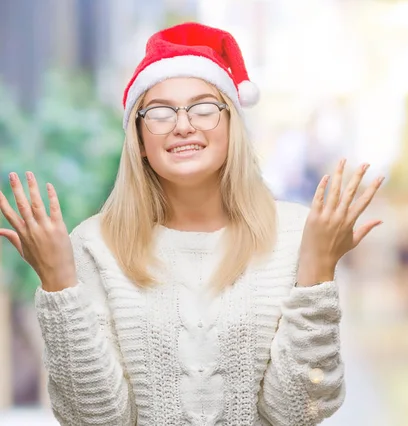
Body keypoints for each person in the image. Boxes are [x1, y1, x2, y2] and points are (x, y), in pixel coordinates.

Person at [0, 22, 384, 425]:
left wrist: (317, 270)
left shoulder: (296, 235)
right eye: (161, 112)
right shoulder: (96, 244)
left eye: (204, 108)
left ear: (232, 125)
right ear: (140, 140)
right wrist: (59, 280)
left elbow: (299, 412)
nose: (183, 125)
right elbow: (96, 421)